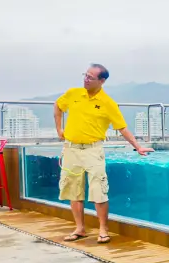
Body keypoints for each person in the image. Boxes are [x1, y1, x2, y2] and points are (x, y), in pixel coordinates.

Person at [54, 63, 154, 244]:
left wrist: (137, 147)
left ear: (102, 81)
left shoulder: (108, 103)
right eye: (85, 75)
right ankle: (80, 228)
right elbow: (58, 106)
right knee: (73, 190)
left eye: (90, 77)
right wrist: (59, 129)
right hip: (71, 149)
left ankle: (103, 229)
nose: (86, 79)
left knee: (99, 191)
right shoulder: (73, 93)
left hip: (93, 150)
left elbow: (122, 128)